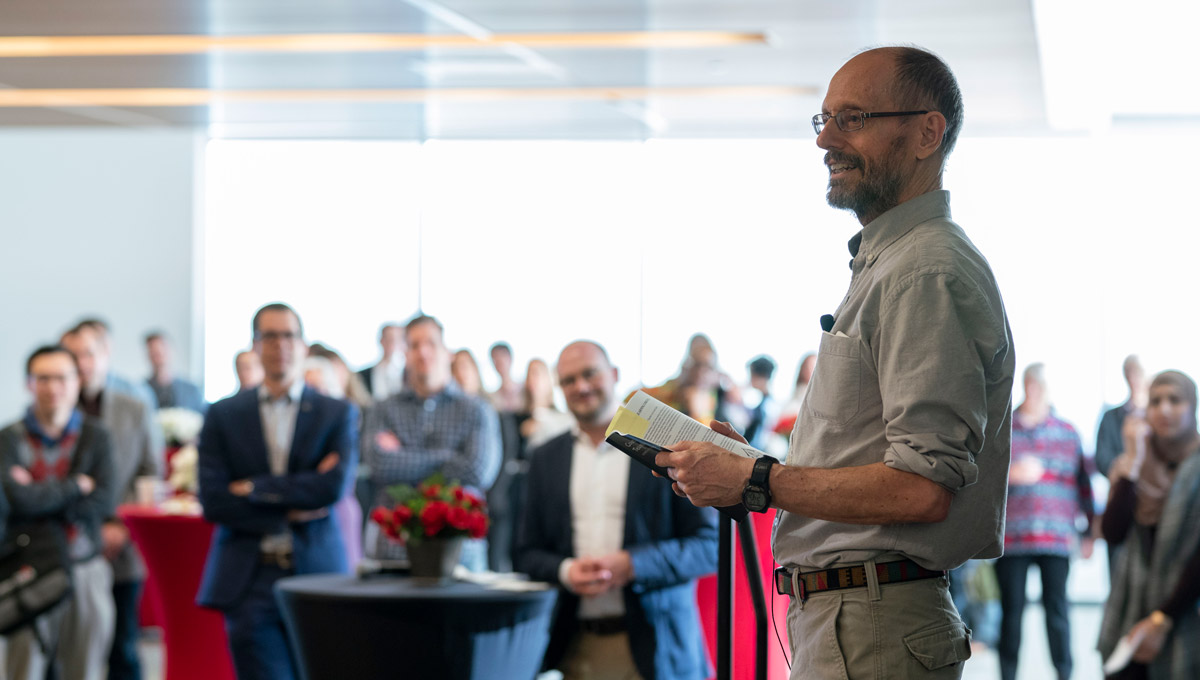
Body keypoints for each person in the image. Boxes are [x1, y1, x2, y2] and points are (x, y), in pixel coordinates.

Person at [656, 46, 1014, 679]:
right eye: (822, 119)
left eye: (853, 118)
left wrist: (756, 479)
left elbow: (921, 488)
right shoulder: (892, 262)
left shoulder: (924, 271)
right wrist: (749, 465)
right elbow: (871, 455)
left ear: (927, 132)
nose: (826, 138)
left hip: (872, 623)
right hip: (855, 618)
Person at [515, 341, 717, 680]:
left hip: (659, 647)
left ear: (614, 375)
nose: (580, 386)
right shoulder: (545, 458)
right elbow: (524, 553)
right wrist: (566, 570)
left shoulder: (665, 451)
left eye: (589, 374)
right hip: (574, 647)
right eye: (568, 380)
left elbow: (709, 547)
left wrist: (634, 565)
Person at [196, 303, 358, 680]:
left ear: (302, 345)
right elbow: (215, 501)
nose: (280, 345)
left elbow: (331, 488)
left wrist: (254, 488)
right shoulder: (223, 414)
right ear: (255, 345)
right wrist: (291, 504)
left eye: (289, 335)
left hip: (317, 569)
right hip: (250, 577)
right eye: (270, 336)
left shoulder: (336, 413)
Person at [1, 345, 116, 680]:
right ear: (29, 383)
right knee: (24, 670)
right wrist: (74, 487)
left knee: (85, 669)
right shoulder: (8, 439)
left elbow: (103, 502)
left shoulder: (96, 436)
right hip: (26, 566)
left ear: (77, 381)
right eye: (43, 378)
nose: (53, 387)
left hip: (83, 565)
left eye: (62, 378)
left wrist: (37, 493)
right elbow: (14, 502)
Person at [360, 315, 500, 570]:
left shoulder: (476, 410)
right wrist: (449, 456)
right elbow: (380, 464)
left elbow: (477, 471)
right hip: (394, 549)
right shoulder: (384, 409)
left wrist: (406, 455)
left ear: (448, 351)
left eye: (431, 343)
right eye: (414, 345)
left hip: (460, 550)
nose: (423, 352)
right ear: (405, 353)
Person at [62, 324, 161, 680]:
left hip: (121, 542)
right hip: (66, 545)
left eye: (88, 354)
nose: (82, 364)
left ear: (105, 355)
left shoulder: (134, 407)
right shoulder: (57, 406)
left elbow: (151, 471)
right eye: (73, 356)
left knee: (123, 645)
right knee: (67, 649)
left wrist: (121, 525)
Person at [1098, 370, 1200, 679]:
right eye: (1155, 401)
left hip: (1186, 607)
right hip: (1133, 606)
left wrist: (1162, 618)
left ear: (1192, 406)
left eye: (1175, 400)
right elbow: (1112, 533)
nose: (1164, 409)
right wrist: (1133, 461)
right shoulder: (1133, 464)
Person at [996, 363, 1094, 680]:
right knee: (1011, 613)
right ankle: (1007, 674)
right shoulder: (1002, 430)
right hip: (1011, 539)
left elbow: (1083, 486)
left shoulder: (1067, 432)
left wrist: (1090, 532)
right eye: (1032, 384)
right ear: (1024, 385)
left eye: (1042, 385)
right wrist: (1009, 475)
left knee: (1058, 611)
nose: (1036, 391)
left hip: (1057, 539)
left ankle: (1064, 673)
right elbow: (979, 480)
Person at [1096, 355, 1149, 477]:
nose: (1134, 379)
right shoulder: (1110, 417)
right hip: (1121, 481)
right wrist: (1125, 465)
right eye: (1130, 374)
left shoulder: (1155, 417)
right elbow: (1103, 459)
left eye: (1138, 373)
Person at [144, 331, 207, 414]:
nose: (159, 357)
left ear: (171, 351)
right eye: (154, 353)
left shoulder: (192, 390)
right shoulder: (141, 390)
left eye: (162, 351)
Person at [358, 323, 405, 402]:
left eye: (396, 340)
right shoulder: (363, 375)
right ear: (381, 341)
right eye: (388, 339)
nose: (392, 344)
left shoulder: (410, 374)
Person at [742, 355, 780, 452]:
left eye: (752, 376)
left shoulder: (766, 407)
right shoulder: (763, 403)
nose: (750, 381)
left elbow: (758, 439)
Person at [488, 342, 524, 412]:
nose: (500, 363)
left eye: (502, 357)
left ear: (510, 358)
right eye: (495, 360)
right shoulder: (492, 398)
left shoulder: (525, 390)